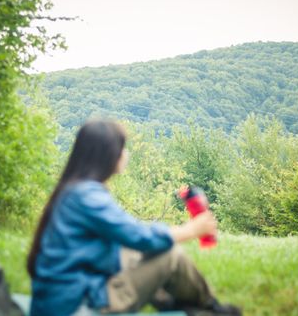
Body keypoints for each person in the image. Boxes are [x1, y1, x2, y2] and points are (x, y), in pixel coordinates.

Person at [27, 119, 242, 316]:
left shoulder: (75, 190)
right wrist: (191, 230)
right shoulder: (86, 195)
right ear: (108, 155)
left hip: (60, 300)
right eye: (122, 148)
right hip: (76, 306)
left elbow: (128, 235)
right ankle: (210, 307)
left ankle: (183, 305)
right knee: (171, 256)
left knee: (133, 253)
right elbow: (138, 235)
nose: (125, 154)